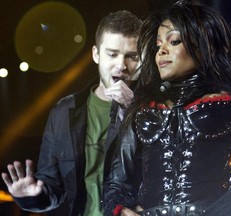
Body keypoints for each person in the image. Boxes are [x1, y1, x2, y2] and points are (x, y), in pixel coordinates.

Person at [103, 1, 231, 216]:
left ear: (204, 44)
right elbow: (117, 185)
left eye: (174, 41)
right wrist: (121, 212)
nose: (162, 52)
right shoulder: (141, 107)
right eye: (158, 46)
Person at [1, 10, 142, 216]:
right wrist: (31, 196)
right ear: (96, 54)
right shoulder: (64, 111)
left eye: (132, 56)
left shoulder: (155, 109)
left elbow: (166, 175)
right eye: (112, 54)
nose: (121, 65)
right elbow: (52, 187)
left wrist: (134, 109)